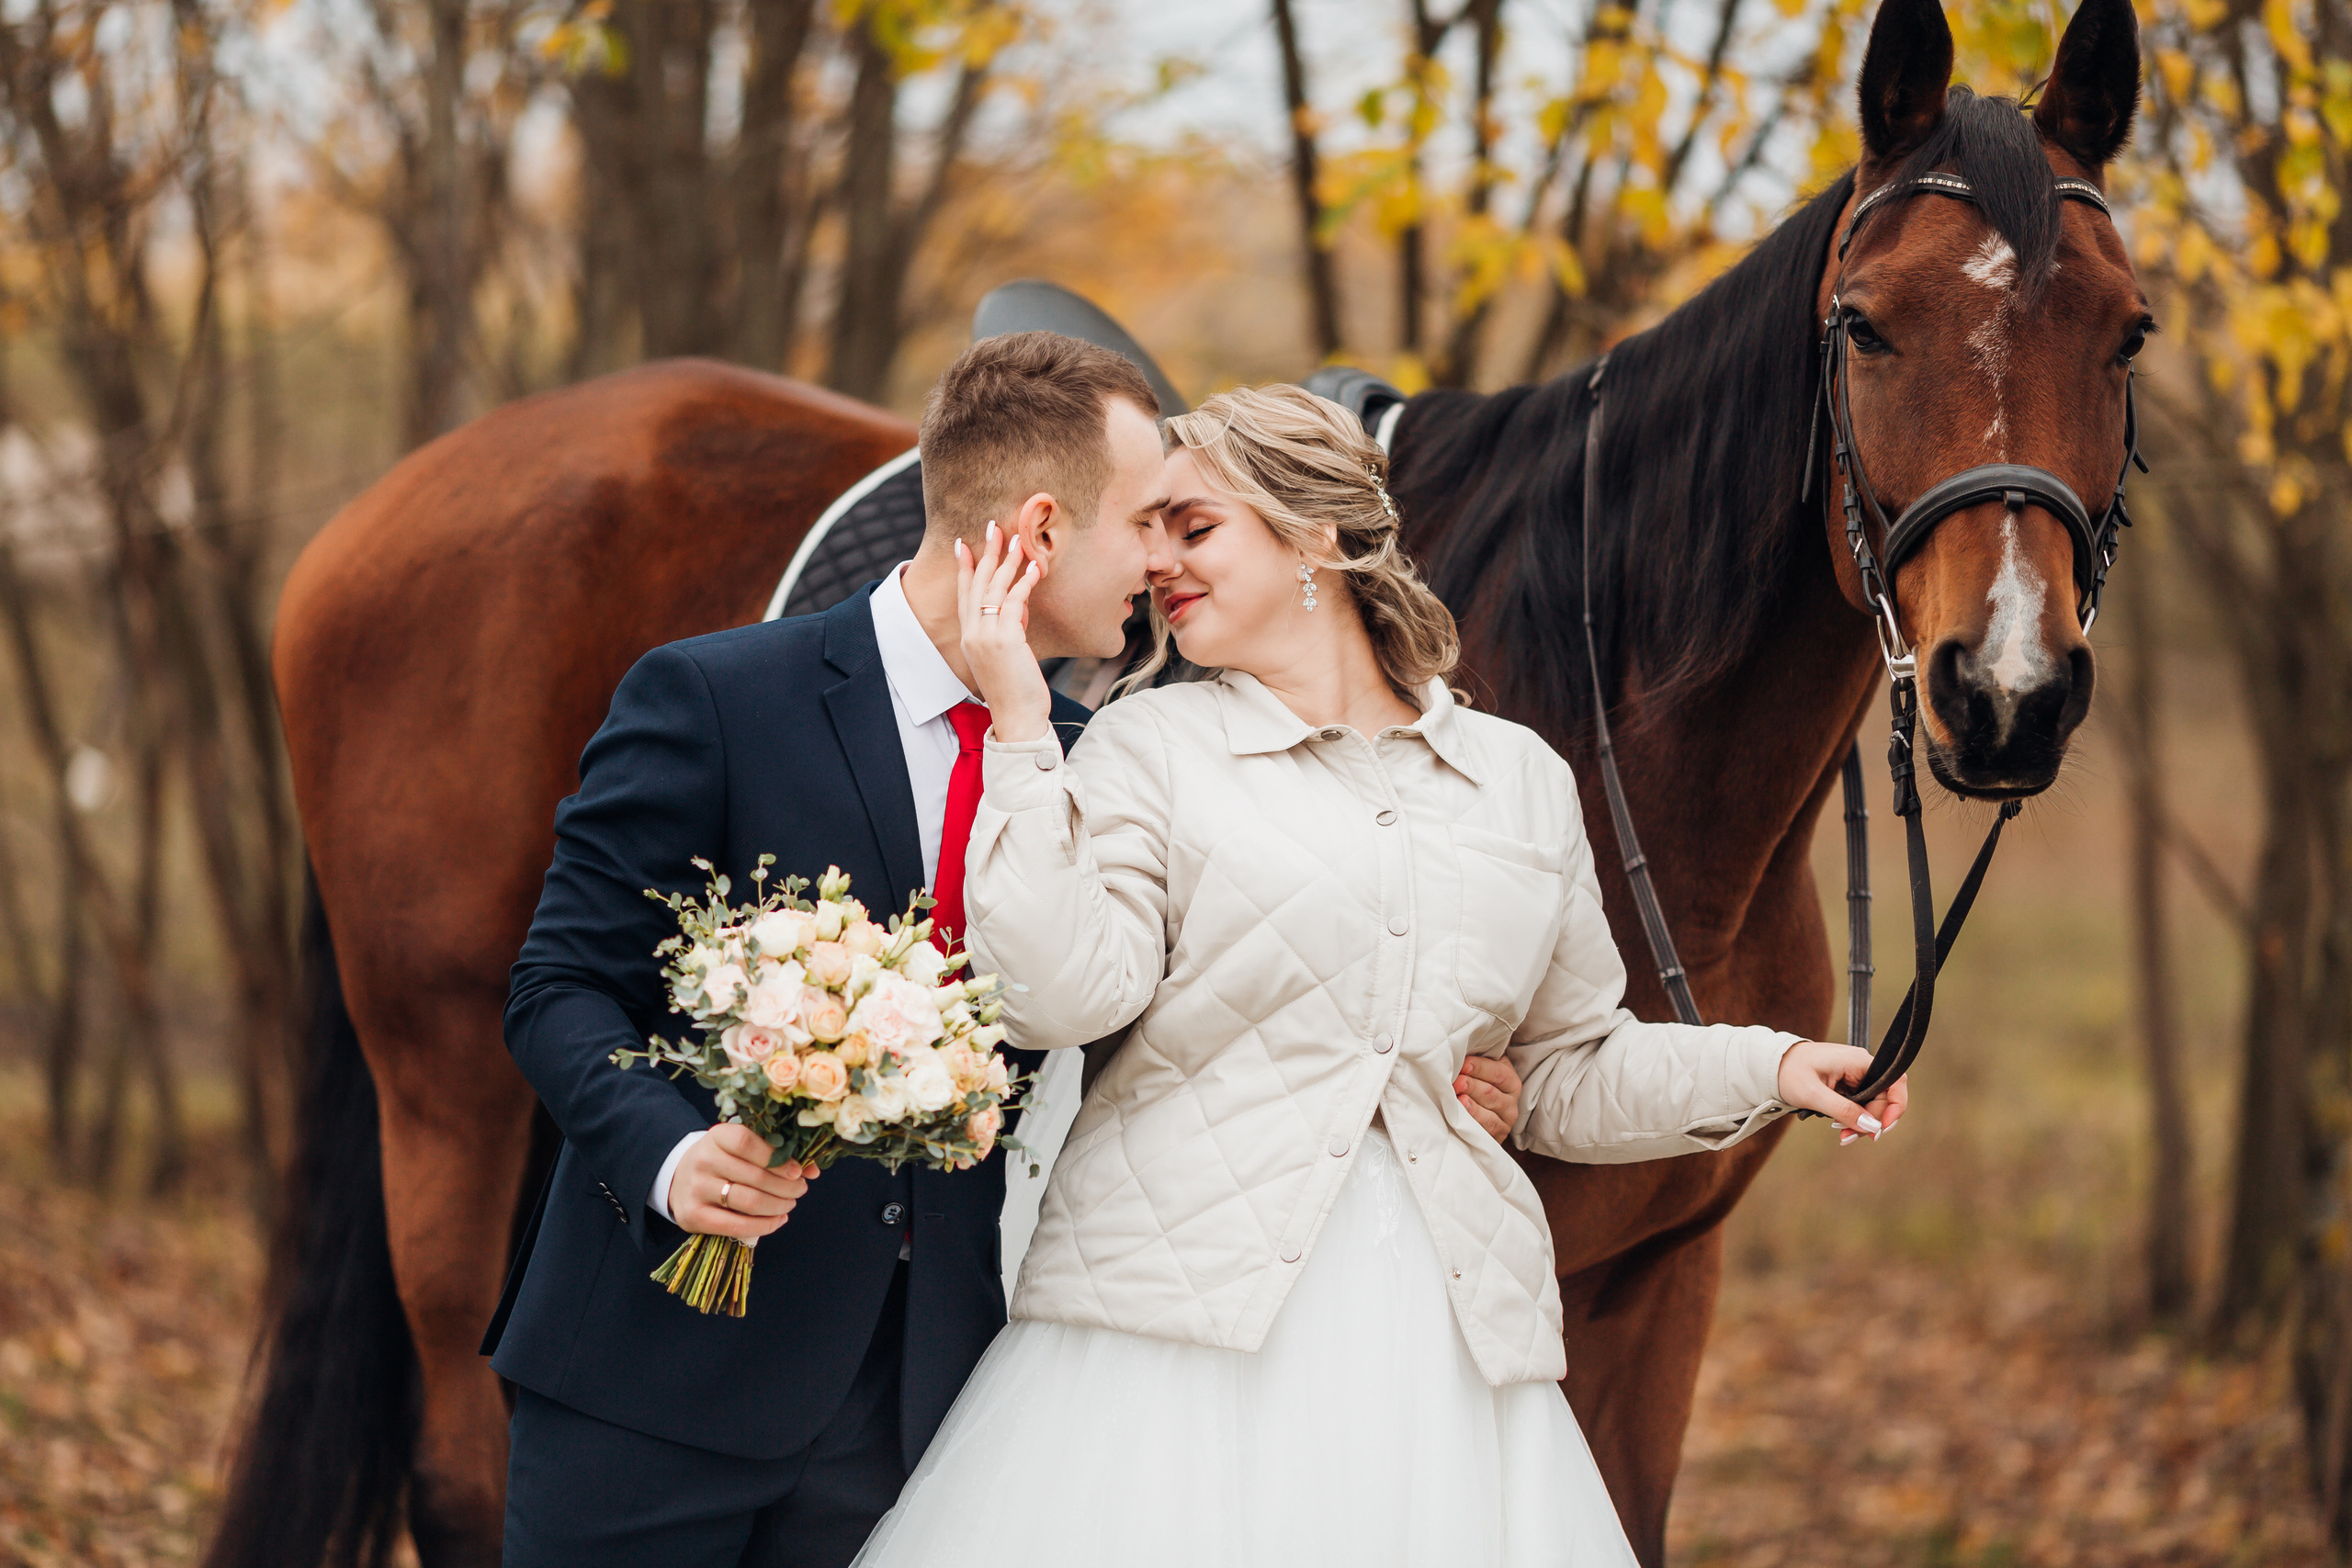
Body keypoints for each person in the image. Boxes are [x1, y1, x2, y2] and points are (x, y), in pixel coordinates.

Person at [486, 336, 1527, 1568]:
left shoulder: (1099, 762)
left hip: (925, 1423)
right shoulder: (712, 700)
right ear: (1038, 528)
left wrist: (1437, 1077)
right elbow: (559, 986)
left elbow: (1190, 1034)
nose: (1163, 556)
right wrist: (671, 1155)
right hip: (652, 1390)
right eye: (1147, 519)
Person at [852, 384, 1905, 1567]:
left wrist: (1770, 1065)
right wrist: (1017, 728)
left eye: (1194, 530)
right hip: (1173, 1343)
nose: (1156, 565)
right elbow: (1057, 997)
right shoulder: (1150, 746)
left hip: (1450, 1352)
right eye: (1152, 534)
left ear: (1316, 533)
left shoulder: (1518, 780)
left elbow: (1570, 1070)